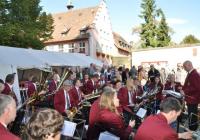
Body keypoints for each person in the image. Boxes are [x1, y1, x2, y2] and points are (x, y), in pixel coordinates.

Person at [181, 60, 200, 131]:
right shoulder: (191, 73)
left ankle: (192, 131)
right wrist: (183, 88)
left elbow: (197, 87)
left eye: (185, 67)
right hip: (191, 99)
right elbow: (189, 85)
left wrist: (185, 91)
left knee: (192, 116)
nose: (184, 68)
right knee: (191, 115)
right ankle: (191, 129)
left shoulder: (194, 74)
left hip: (193, 99)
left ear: (189, 65)